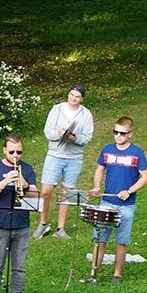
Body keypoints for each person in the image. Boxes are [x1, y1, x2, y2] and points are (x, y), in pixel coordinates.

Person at [88, 117, 147, 284]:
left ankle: (117, 274)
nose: (118, 136)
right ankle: (94, 272)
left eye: (122, 133)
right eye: (115, 132)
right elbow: (100, 170)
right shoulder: (107, 150)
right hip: (107, 202)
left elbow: (146, 176)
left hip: (126, 205)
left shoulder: (137, 153)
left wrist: (129, 191)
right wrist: (96, 186)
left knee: (121, 241)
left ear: (130, 134)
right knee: (100, 239)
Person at [0, 136, 37, 293]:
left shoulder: (27, 169)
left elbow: (35, 195)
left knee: (19, 268)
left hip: (21, 225)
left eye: (19, 152)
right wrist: (7, 180)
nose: (16, 155)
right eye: (12, 152)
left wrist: (25, 184)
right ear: (4, 150)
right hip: (0, 224)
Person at [38, 82, 93, 237]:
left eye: (77, 97)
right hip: (55, 155)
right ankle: (43, 223)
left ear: (82, 99)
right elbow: (47, 131)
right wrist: (59, 133)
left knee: (67, 192)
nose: (73, 99)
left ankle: (60, 228)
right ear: (68, 94)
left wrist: (73, 137)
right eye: (72, 95)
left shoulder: (86, 114)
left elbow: (87, 137)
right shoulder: (57, 109)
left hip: (74, 157)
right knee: (46, 191)